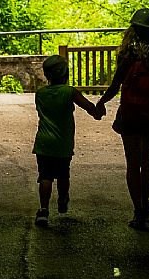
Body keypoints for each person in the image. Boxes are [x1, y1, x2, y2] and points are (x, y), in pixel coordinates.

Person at [95, 8, 149, 230]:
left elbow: (116, 86)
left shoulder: (127, 55)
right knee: (147, 161)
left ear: (133, 29)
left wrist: (101, 102)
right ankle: (145, 203)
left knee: (133, 164)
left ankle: (138, 211)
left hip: (131, 115)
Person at [32, 54, 102, 227]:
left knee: (45, 176)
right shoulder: (69, 92)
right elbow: (88, 106)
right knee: (63, 174)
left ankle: (43, 210)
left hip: (43, 143)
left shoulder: (40, 94)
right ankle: (62, 200)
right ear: (65, 74)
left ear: (47, 75)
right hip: (63, 143)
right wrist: (97, 113)